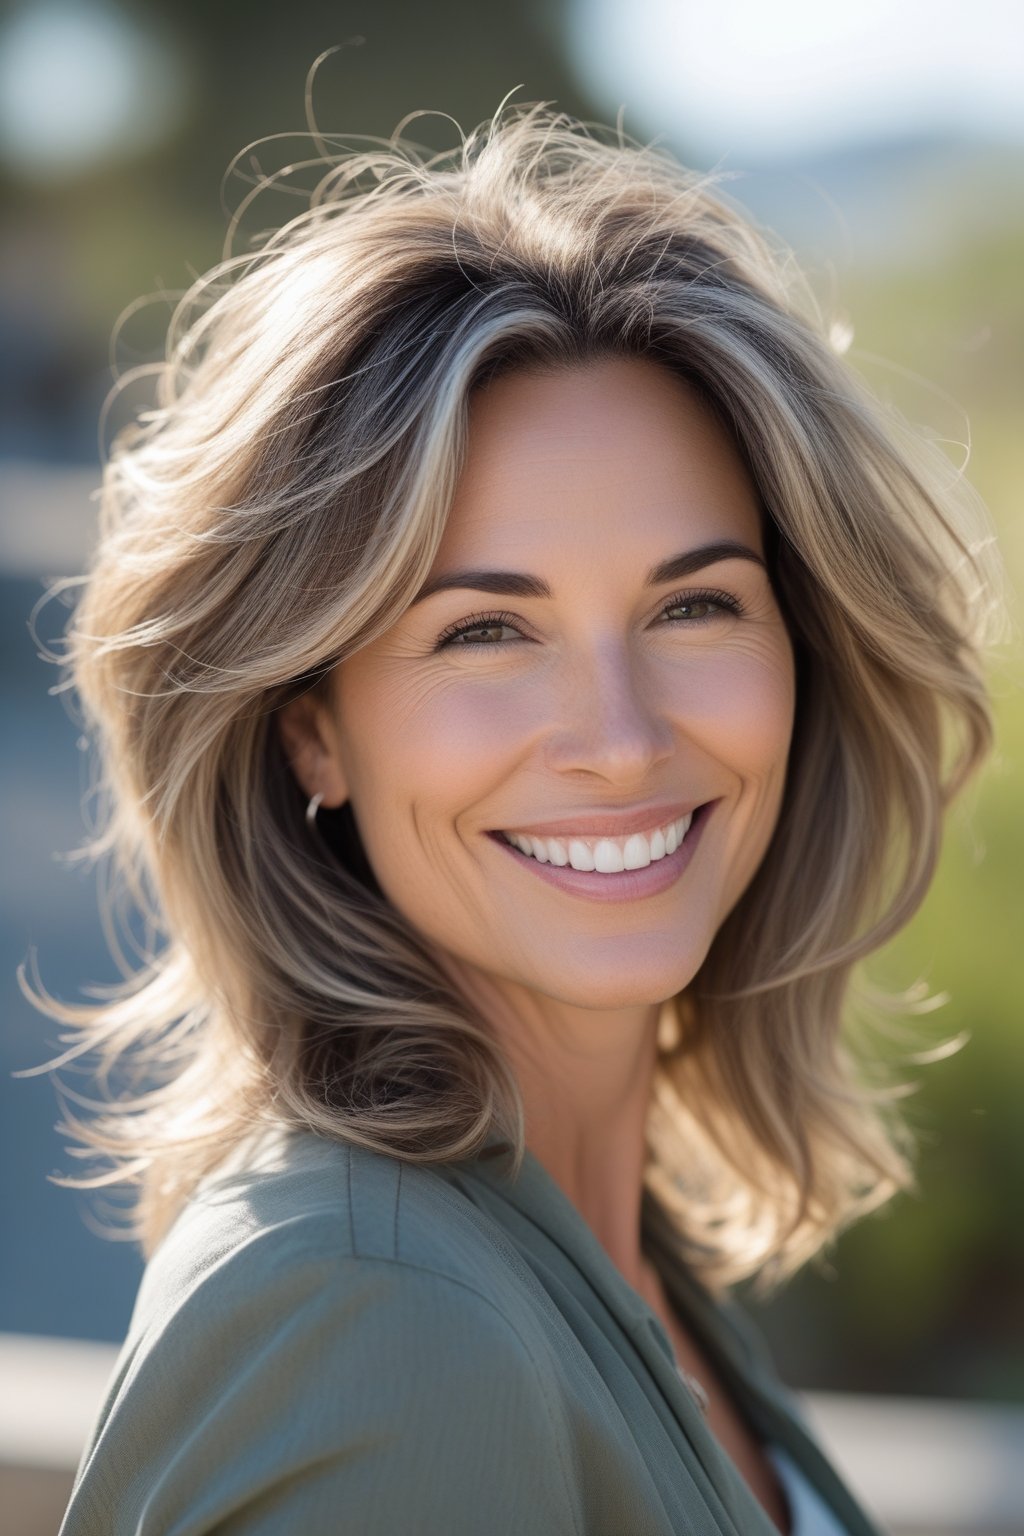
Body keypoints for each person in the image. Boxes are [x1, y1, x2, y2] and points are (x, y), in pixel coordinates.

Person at [34, 95, 1005, 1535]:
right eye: (486, 633)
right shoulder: (372, 1324)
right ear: (312, 729)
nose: (620, 742)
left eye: (695, 606)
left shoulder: (608, 1263)